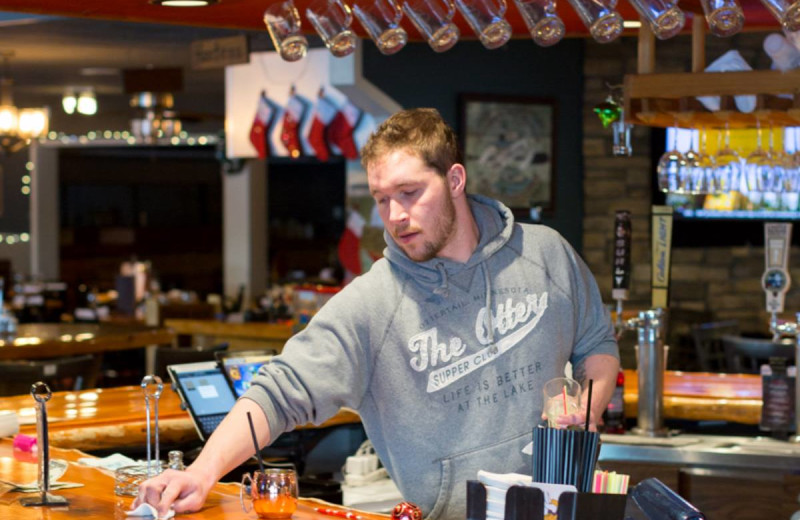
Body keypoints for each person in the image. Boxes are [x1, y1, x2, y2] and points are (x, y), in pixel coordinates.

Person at [135, 108, 619, 520]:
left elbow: (597, 344)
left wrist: (587, 412)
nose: (395, 215)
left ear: (454, 179)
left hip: (562, 508)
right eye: (383, 199)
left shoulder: (546, 254)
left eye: (409, 194)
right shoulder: (372, 304)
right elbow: (278, 393)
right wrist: (202, 472)